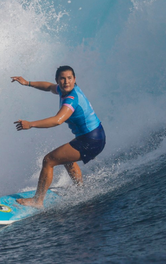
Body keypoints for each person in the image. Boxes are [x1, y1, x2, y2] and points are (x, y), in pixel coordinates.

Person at [11, 65, 106, 208]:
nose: (66, 81)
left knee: (49, 160)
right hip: (94, 136)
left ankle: (37, 201)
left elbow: (58, 120)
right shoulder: (62, 90)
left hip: (91, 139)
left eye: (69, 78)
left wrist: (30, 124)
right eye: (62, 78)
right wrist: (28, 83)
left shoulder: (72, 99)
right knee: (66, 159)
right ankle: (81, 189)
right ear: (58, 80)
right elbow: (48, 87)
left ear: (75, 79)